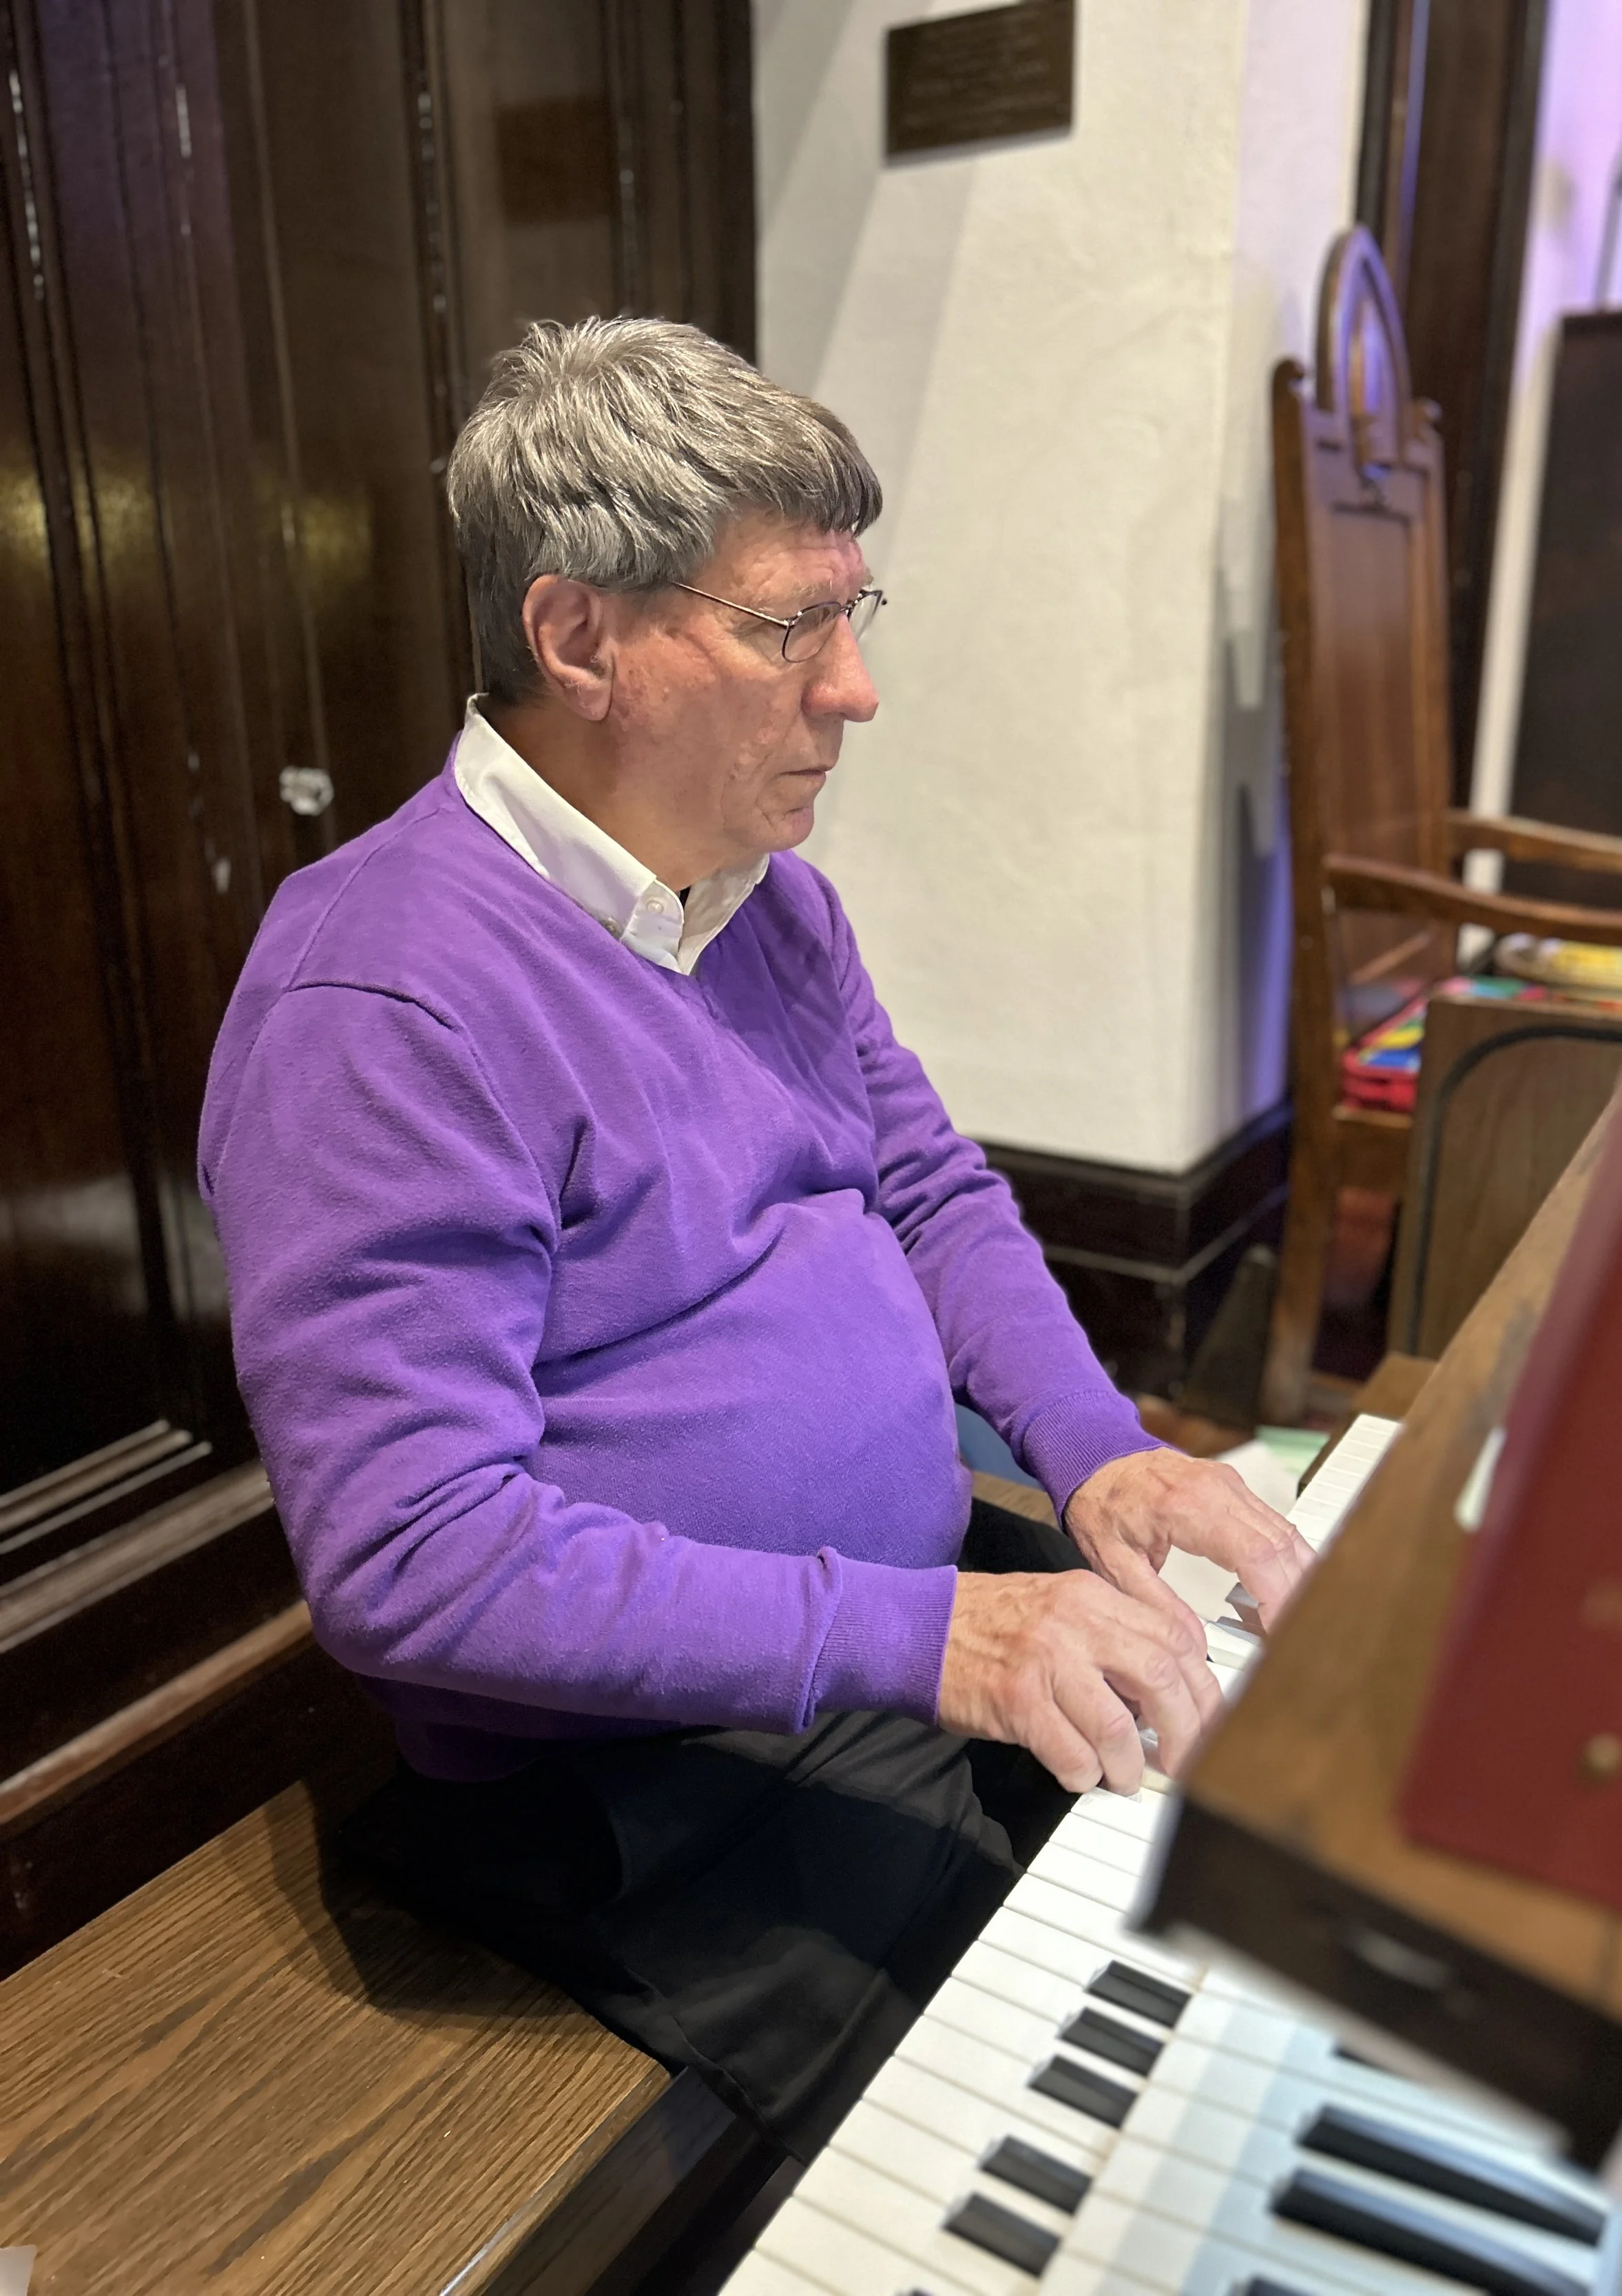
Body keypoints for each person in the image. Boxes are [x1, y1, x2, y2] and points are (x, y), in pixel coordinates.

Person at [198, 316, 1313, 2159]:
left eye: (852, 613)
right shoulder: (379, 1000)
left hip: (896, 1637)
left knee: (1274, 1894)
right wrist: (929, 1632)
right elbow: (411, 1555)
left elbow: (930, 1191)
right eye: (789, 625)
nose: (855, 689)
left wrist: (1097, 1450)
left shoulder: (766, 903)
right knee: (1083, 2150)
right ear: (580, 639)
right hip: (648, 1773)